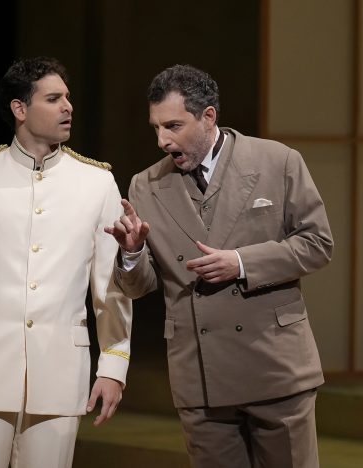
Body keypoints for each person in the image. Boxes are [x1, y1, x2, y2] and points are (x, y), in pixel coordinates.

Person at [105, 64, 333, 468]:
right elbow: (139, 287)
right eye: (156, 127)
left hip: (275, 366)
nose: (162, 140)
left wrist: (242, 263)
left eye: (173, 126)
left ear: (208, 116)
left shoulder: (277, 161)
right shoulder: (145, 185)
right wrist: (132, 252)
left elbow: (317, 244)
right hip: (200, 375)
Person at [0, 56, 132, 468]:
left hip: (59, 375)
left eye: (67, 97)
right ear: (20, 108)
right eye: (53, 99)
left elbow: (110, 287)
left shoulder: (97, 182)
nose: (68, 107)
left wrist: (113, 365)